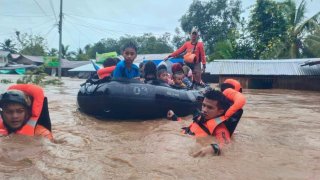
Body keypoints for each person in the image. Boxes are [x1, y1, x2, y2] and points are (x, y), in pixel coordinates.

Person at [167, 89, 232, 156]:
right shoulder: (201, 118)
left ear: (220, 111)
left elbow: (226, 146)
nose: (204, 110)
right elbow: (188, 127)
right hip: (176, 144)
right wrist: (175, 118)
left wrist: (213, 148)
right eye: (203, 105)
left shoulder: (221, 130)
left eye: (210, 107)